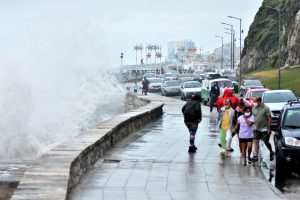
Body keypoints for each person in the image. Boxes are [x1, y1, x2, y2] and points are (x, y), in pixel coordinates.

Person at [252, 96, 274, 161]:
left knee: (265, 141)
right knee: (255, 141)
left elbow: (269, 118)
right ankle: (256, 155)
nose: (254, 103)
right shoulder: (254, 108)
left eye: (255, 102)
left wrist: (269, 128)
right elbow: (252, 116)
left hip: (264, 128)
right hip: (256, 128)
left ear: (259, 101)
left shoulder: (266, 108)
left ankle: (271, 151)